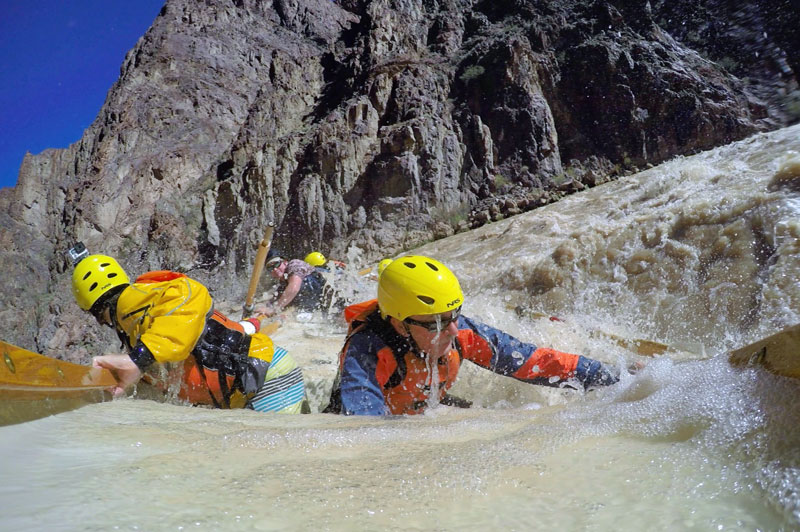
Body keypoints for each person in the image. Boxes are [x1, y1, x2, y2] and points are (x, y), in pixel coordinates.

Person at [324, 255, 622, 416]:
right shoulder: (366, 351)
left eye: (454, 316)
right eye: (437, 323)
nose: (454, 331)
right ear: (400, 325)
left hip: (424, 408)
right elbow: (364, 430)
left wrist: (617, 378)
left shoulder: (458, 329)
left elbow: (535, 362)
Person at [69, 244, 308, 413]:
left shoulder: (137, 302)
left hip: (265, 379)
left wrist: (138, 359)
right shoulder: (140, 324)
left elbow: (189, 293)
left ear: (98, 312)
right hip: (263, 373)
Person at [262, 250, 341, 317]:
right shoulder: (283, 283)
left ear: (285, 262)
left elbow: (294, 288)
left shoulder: (294, 264)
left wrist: (274, 309)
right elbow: (277, 300)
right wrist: (264, 308)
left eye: (276, 264)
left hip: (337, 294)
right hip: (323, 304)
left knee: (304, 283)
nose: (275, 269)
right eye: (270, 268)